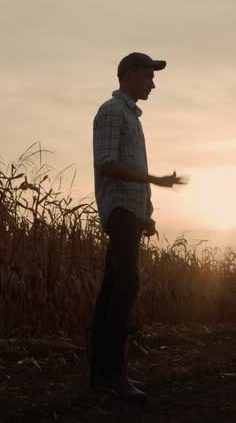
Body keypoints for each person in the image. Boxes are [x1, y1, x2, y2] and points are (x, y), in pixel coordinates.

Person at [90, 52, 187, 402]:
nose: (153, 82)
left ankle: (101, 373)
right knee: (127, 284)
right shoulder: (112, 112)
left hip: (129, 212)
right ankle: (112, 372)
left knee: (113, 288)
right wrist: (154, 180)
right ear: (128, 74)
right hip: (118, 211)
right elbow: (107, 164)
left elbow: (124, 166)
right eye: (148, 75)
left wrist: (145, 212)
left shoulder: (131, 116)